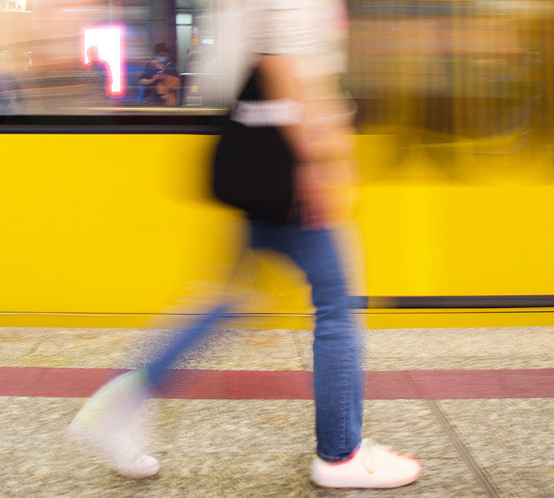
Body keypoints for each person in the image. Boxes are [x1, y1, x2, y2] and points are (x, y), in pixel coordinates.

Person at [68, 0, 421, 489]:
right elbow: (280, 61)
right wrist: (320, 158)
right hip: (289, 163)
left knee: (232, 298)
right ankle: (340, 455)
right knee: (338, 304)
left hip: (261, 155)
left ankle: (120, 403)